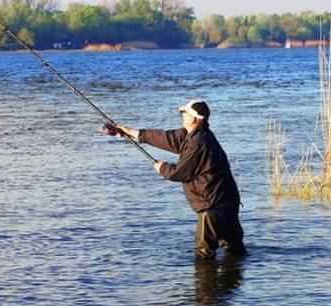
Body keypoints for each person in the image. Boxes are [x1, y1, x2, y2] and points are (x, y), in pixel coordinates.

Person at [102, 100, 247, 260]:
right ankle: (236, 283)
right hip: (228, 203)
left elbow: (180, 173)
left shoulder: (198, 143)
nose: (182, 116)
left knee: (204, 255)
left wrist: (162, 168)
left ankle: (207, 285)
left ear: (192, 118)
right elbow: (166, 138)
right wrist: (129, 132)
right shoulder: (196, 135)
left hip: (212, 208)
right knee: (235, 251)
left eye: (184, 113)